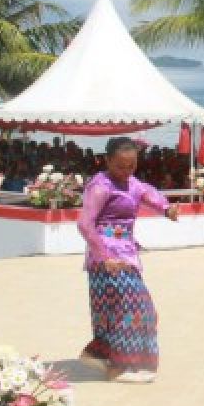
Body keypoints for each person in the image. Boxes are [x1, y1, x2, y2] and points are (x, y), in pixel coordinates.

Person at [76, 137, 179, 383]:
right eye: (120, 166)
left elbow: (149, 194)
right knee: (135, 308)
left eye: (131, 166)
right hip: (107, 257)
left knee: (126, 310)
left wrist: (167, 209)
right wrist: (105, 256)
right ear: (108, 160)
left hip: (127, 255)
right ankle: (117, 366)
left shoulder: (132, 183)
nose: (126, 171)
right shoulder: (100, 186)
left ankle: (101, 355)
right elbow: (85, 224)